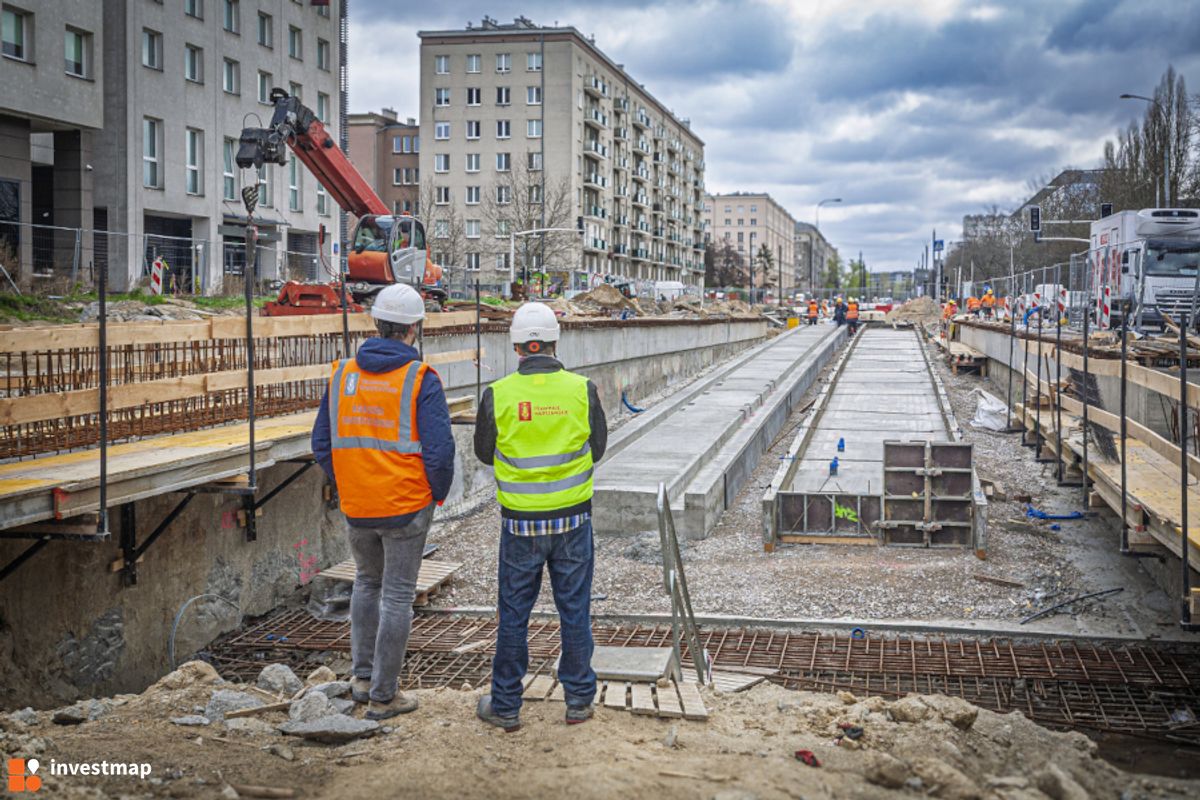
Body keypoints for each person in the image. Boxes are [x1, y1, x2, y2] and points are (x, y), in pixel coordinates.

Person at [311, 284, 454, 721]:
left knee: (367, 584)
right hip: (406, 505)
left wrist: (350, 481)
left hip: (358, 506)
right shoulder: (419, 378)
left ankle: (360, 679)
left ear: (377, 323)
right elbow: (440, 451)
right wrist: (438, 492)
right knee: (396, 595)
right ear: (414, 328)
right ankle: (384, 695)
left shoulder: (342, 375)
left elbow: (322, 443)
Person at [474, 302, 607, 732]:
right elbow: (598, 447)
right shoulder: (581, 389)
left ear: (517, 347)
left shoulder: (499, 393)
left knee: (513, 614)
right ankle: (579, 701)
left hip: (520, 525)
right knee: (575, 611)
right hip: (572, 522)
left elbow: (482, 451)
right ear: (554, 341)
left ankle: (507, 706)